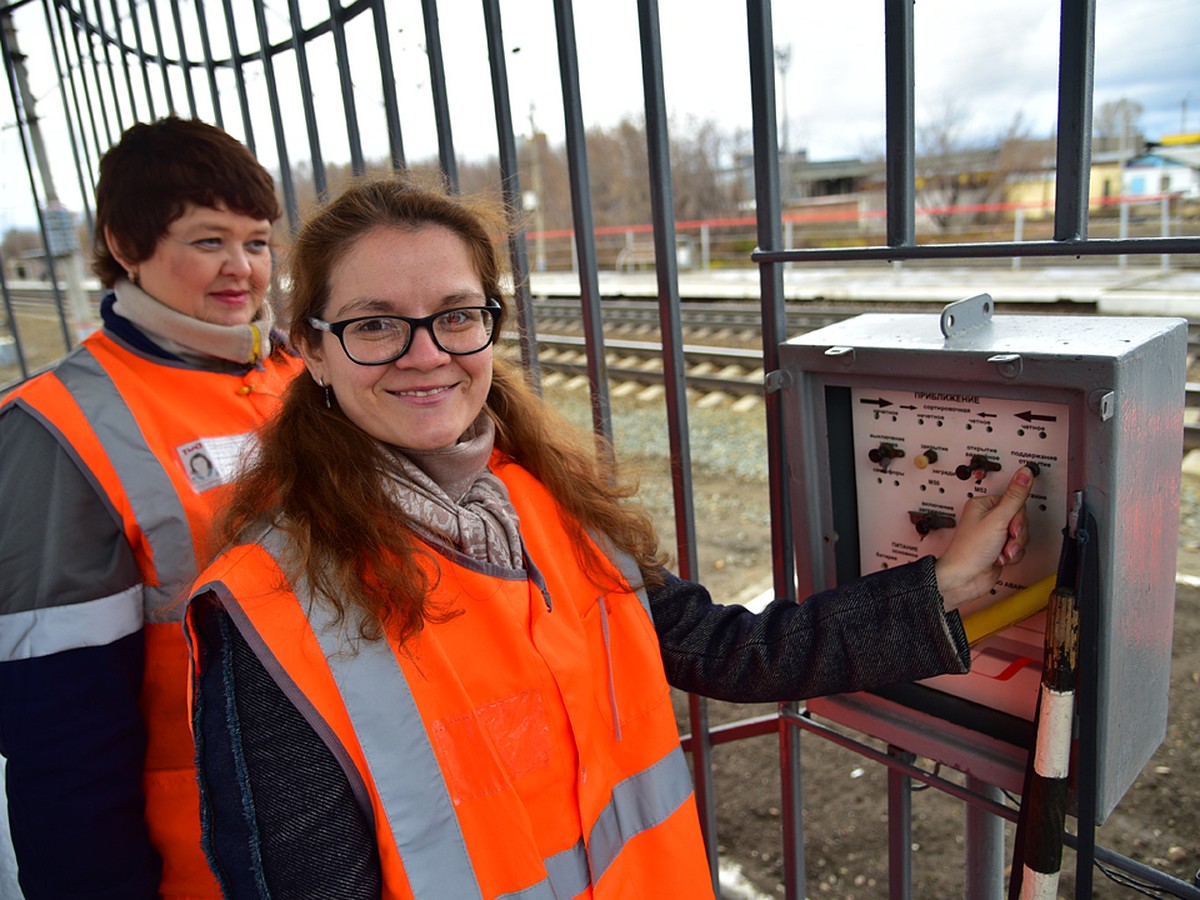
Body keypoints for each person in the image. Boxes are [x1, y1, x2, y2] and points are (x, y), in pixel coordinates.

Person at [184, 175, 1033, 899]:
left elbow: (729, 651)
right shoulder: (269, 606)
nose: (425, 353)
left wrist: (939, 587)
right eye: (374, 324)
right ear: (314, 353)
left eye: (454, 314)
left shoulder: (551, 503)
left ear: (490, 326)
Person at [0, 116, 304, 898]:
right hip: (207, 855)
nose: (243, 269)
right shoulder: (57, 431)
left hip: (342, 825)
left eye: (258, 242)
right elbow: (60, 730)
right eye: (208, 241)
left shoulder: (298, 380)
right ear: (126, 245)